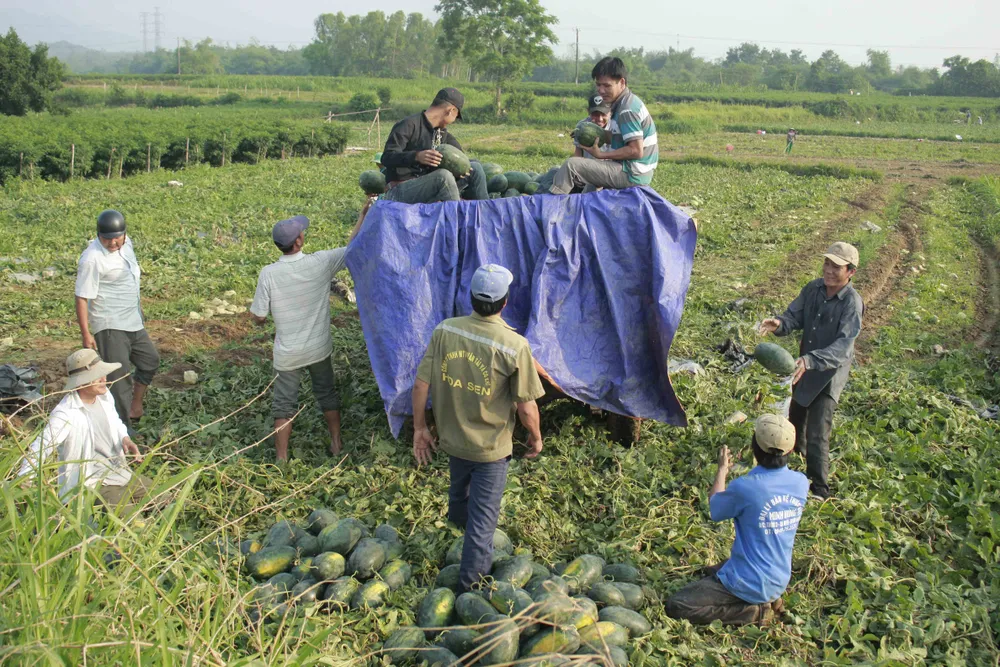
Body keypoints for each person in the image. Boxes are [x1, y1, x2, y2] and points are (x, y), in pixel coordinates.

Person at [411, 264, 546, 591]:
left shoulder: (446, 330)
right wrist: (536, 437)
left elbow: (421, 384)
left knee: (459, 491)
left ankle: (455, 527)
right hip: (490, 450)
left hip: (453, 440)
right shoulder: (514, 345)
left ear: (471, 298)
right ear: (504, 303)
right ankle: (469, 591)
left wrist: (419, 428)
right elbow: (527, 408)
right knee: (483, 527)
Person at [665, 415, 808, 626]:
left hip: (749, 582)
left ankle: (752, 612)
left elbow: (715, 509)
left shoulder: (746, 487)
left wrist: (722, 471)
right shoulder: (801, 483)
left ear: (754, 447)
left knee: (678, 605)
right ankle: (770, 597)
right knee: (714, 569)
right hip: (779, 576)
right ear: (790, 451)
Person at [250, 210, 367, 462]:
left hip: (287, 354)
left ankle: (282, 459)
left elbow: (258, 317)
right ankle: (336, 442)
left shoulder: (268, 273)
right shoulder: (320, 263)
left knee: (283, 405)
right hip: (318, 348)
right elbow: (352, 247)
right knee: (326, 393)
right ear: (299, 241)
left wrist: (265, 317)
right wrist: (363, 214)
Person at [758, 242, 863, 499]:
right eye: (827, 263)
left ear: (850, 272)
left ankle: (819, 489)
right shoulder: (813, 288)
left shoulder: (852, 303)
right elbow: (795, 316)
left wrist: (810, 360)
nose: (828, 270)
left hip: (829, 374)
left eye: (836, 267)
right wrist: (779, 323)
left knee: (817, 432)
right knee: (795, 420)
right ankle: (793, 467)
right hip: (804, 367)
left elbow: (843, 348)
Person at [19, 349, 151, 511]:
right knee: (134, 524)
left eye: (103, 373)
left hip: (121, 472)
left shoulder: (104, 396)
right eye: (96, 376)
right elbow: (42, 446)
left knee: (165, 500)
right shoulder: (66, 414)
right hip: (96, 483)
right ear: (80, 382)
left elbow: (115, 420)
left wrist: (125, 438)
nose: (104, 379)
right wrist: (25, 478)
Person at [75, 209, 160, 433]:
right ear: (98, 235)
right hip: (109, 324)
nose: (113, 243)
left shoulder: (127, 244)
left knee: (150, 361)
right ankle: (121, 429)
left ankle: (135, 405)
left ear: (124, 233)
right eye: (107, 239)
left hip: (133, 320)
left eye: (117, 238)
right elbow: (82, 297)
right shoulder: (92, 259)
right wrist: (86, 334)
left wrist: (139, 308)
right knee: (119, 379)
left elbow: (131, 279)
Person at [549, 57, 658, 195]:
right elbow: (617, 137)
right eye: (598, 85)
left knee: (571, 165)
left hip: (632, 173)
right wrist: (583, 133)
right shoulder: (624, 103)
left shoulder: (627, 109)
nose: (601, 90)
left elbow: (636, 151)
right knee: (589, 181)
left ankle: (550, 208)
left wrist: (601, 155)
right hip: (632, 169)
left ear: (622, 82)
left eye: (607, 86)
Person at [380, 88, 487, 204]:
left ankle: (485, 216)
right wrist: (416, 156)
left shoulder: (443, 134)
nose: (454, 120)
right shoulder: (409, 125)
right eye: (457, 116)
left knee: (475, 168)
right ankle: (457, 219)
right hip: (401, 190)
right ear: (451, 110)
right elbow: (386, 157)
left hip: (430, 187)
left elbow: (462, 159)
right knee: (443, 176)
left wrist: (464, 168)